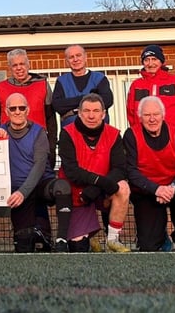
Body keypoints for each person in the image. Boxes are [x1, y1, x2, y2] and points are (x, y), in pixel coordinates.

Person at [0, 48, 57, 250]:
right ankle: (24, 236)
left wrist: (51, 150)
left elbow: (52, 121)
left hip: (38, 147)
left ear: (29, 65)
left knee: (39, 190)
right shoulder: (0, 88)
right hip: (12, 152)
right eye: (14, 65)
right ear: (9, 68)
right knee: (21, 191)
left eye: (22, 64)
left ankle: (44, 236)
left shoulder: (43, 85)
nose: (19, 68)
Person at [124, 96, 175, 252]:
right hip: (147, 191)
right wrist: (156, 189)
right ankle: (161, 237)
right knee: (148, 246)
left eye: (156, 114)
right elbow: (131, 171)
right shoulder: (131, 135)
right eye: (147, 115)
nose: (152, 119)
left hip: (174, 188)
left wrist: (172, 187)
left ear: (163, 115)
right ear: (140, 117)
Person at [0, 93, 72, 253]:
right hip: (16, 190)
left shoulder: (38, 132)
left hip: (40, 185)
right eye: (12, 108)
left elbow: (40, 165)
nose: (17, 111)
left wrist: (22, 192)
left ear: (27, 110)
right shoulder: (0, 133)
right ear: (6, 112)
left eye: (21, 108)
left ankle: (62, 239)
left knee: (62, 186)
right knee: (24, 245)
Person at [58, 93, 131, 253]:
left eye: (96, 111)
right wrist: (98, 183)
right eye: (87, 111)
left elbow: (120, 168)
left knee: (123, 187)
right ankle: (90, 236)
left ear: (103, 114)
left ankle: (113, 239)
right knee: (79, 248)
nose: (91, 115)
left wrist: (97, 188)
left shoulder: (113, 134)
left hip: (100, 190)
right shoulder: (67, 133)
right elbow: (72, 172)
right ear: (80, 112)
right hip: (77, 194)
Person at [126, 45, 175, 129]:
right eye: (146, 60)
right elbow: (131, 113)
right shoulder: (136, 85)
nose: (150, 64)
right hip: (144, 136)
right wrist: (137, 133)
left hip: (173, 135)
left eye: (154, 59)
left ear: (161, 61)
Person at [52, 44, 113, 128]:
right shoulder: (61, 81)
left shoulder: (99, 78)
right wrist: (88, 97)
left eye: (78, 55)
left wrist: (73, 107)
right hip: (71, 131)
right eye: (71, 57)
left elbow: (107, 100)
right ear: (66, 62)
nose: (75, 59)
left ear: (85, 57)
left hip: (98, 131)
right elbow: (58, 106)